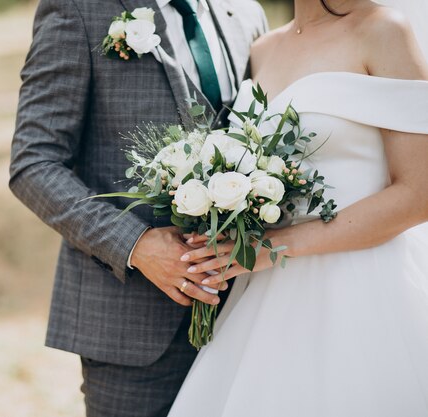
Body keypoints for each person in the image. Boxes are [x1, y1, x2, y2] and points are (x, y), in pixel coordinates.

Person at [167, 0, 428, 415]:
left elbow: (418, 195)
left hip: (365, 287)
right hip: (266, 297)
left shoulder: (383, 31)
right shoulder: (263, 48)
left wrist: (271, 248)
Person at [9, 0, 267, 416]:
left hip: (248, 318)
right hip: (132, 330)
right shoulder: (79, 9)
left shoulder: (246, 13)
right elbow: (34, 162)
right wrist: (137, 245)